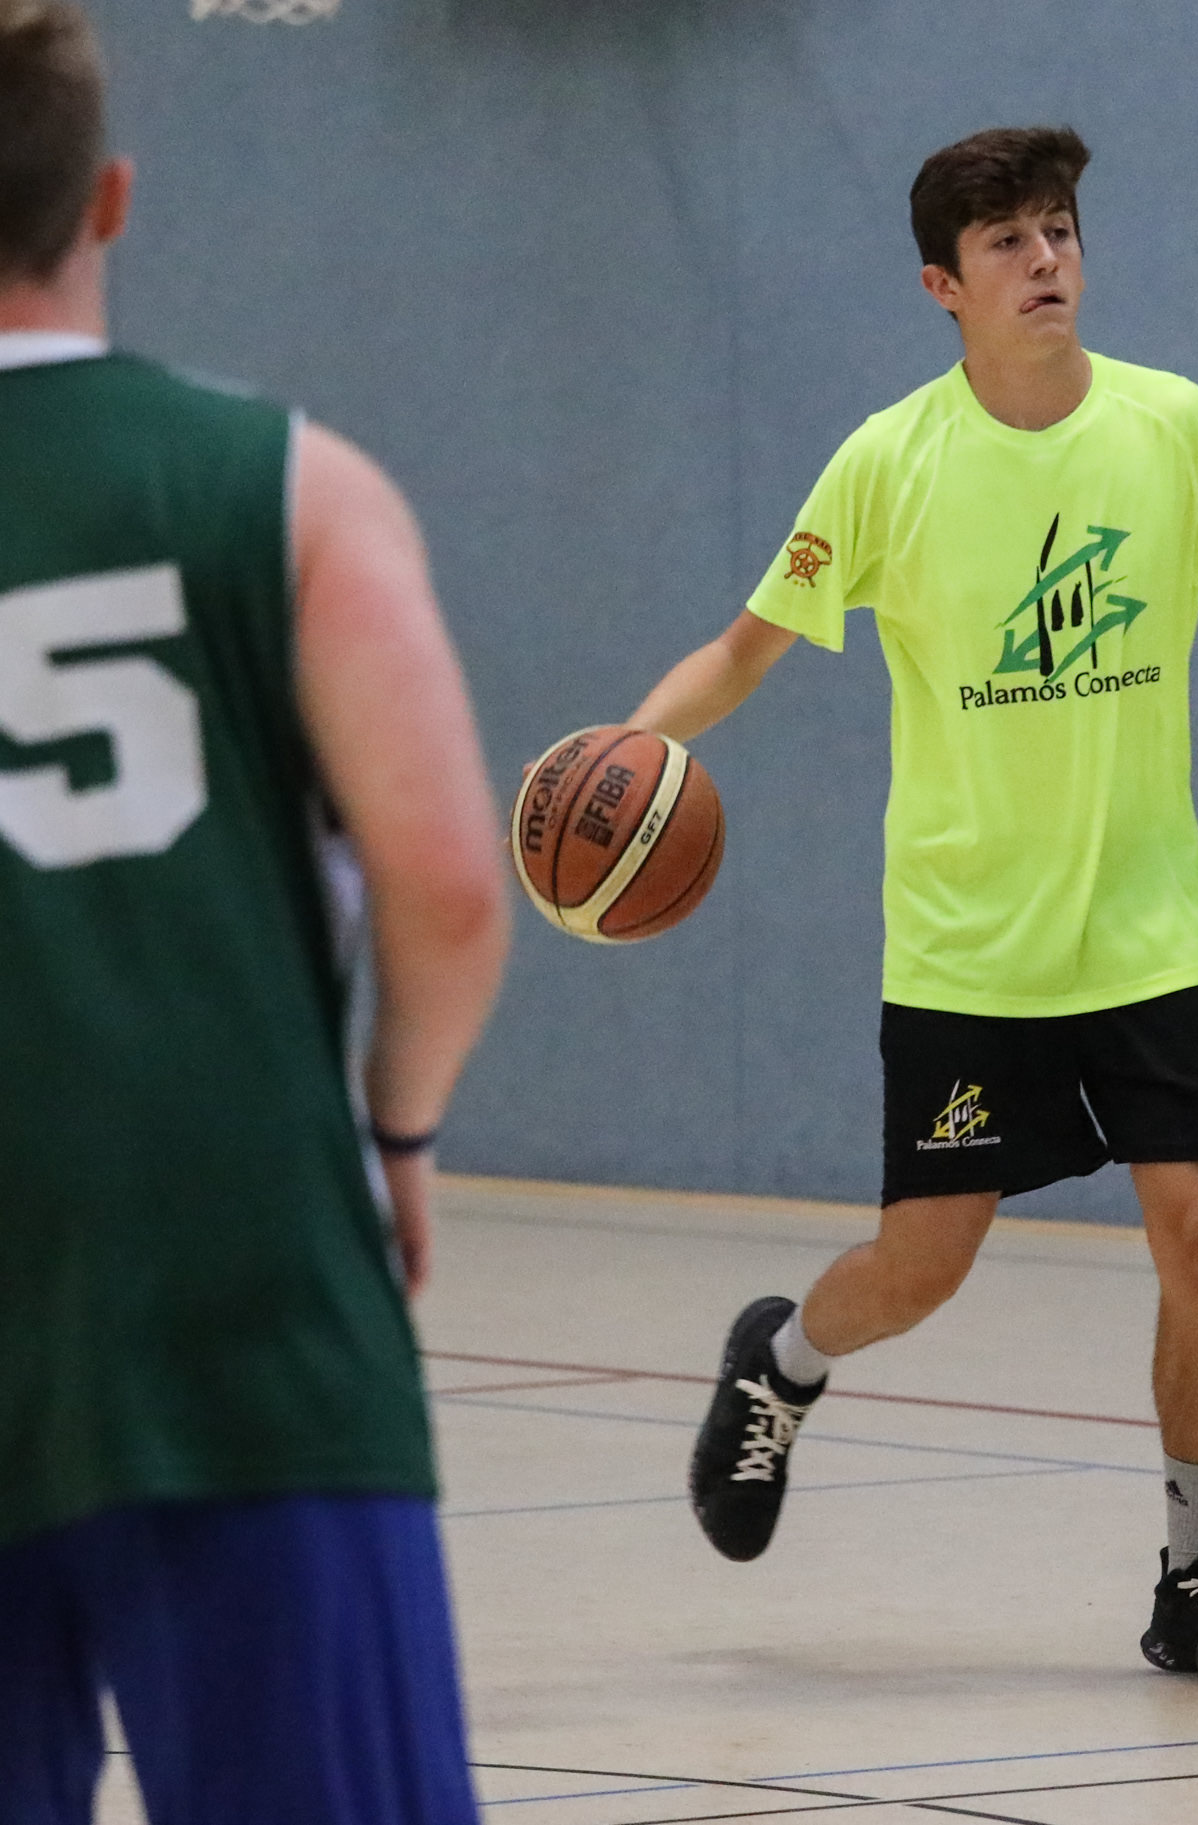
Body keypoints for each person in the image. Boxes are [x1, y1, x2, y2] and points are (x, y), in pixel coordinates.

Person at [643, 126, 1198, 1691]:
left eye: (1058, 232)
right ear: (941, 287)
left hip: (1147, 924)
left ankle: (1196, 1577)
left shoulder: (1171, 426)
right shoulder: (886, 463)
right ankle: (782, 1361)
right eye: (1007, 243)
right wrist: (632, 747)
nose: (1044, 261)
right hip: (967, 942)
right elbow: (747, 647)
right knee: (923, 1265)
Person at [0, 4, 512, 1821]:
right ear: (110, 199)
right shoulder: (290, 486)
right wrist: (398, 1129)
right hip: (245, 1304)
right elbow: (449, 882)